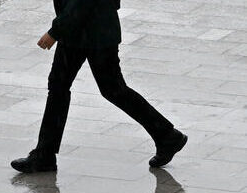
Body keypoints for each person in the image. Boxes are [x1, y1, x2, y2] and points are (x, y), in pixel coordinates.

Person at [11, 0, 188, 173]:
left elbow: (82, 3)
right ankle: (44, 154)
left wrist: (55, 32)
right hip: (80, 29)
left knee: (112, 89)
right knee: (60, 86)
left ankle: (167, 136)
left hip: (95, 31)